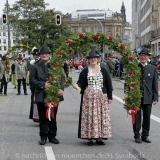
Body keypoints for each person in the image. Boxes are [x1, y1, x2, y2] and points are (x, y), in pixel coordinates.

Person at [72, 50, 113, 146]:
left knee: (100, 116)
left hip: (101, 96)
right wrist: (76, 85)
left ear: (98, 59)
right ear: (89, 60)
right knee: (90, 116)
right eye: (91, 58)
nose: (93, 59)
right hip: (89, 97)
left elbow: (108, 84)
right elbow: (81, 82)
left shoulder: (103, 70)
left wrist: (110, 97)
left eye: (95, 58)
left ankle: (99, 137)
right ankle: (89, 137)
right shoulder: (85, 70)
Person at [30, 46, 64, 145]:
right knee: (43, 118)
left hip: (54, 95)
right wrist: (43, 85)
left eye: (46, 54)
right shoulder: (35, 67)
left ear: (49, 55)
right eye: (42, 54)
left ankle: (52, 136)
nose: (44, 55)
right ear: (40, 55)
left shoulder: (56, 65)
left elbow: (62, 78)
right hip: (41, 94)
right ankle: (43, 137)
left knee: (53, 117)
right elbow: (32, 80)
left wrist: (61, 89)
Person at [123, 47, 158, 143]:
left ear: (148, 57)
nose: (143, 57)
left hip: (147, 97)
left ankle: (145, 135)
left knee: (147, 117)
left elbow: (155, 84)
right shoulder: (134, 67)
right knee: (137, 117)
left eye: (145, 56)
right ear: (139, 57)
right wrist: (126, 93)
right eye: (141, 56)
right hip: (136, 97)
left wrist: (155, 97)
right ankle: (137, 135)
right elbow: (127, 81)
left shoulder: (152, 68)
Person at [29, 48, 40, 120]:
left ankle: (38, 116)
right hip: (34, 83)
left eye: (36, 55)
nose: (35, 56)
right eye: (34, 55)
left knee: (38, 100)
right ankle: (34, 115)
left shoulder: (39, 62)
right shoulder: (32, 62)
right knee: (33, 99)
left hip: (39, 82)